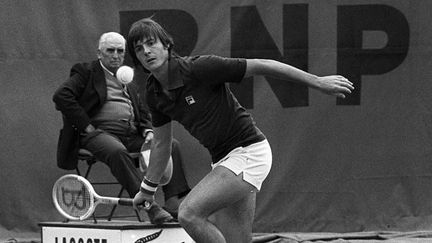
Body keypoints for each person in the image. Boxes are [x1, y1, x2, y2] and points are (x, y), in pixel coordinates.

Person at [128, 18, 354, 243]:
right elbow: (161, 144)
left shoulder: (199, 68)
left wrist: (317, 81)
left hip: (249, 153)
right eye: (139, 49)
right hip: (223, 162)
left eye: (151, 43)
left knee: (189, 213)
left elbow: (261, 64)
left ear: (166, 45)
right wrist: (147, 189)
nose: (147, 52)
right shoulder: (153, 93)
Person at [52, 32, 190, 224]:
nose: (116, 55)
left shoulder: (127, 78)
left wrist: (148, 131)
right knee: (117, 151)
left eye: (120, 51)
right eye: (110, 50)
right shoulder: (85, 72)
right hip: (98, 134)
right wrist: (87, 126)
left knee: (170, 144)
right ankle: (150, 207)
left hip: (130, 134)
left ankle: (173, 203)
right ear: (99, 53)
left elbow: (142, 112)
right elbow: (61, 96)